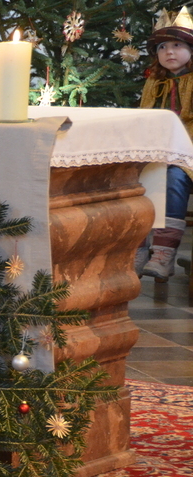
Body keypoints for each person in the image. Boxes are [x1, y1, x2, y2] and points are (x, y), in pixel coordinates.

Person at [138, 7, 193, 281]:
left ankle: (164, 252)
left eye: (177, 45)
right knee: (135, 178)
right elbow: (145, 117)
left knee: (173, 178)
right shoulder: (154, 82)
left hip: (187, 152)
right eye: (162, 47)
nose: (169, 52)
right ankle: (137, 249)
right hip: (158, 150)